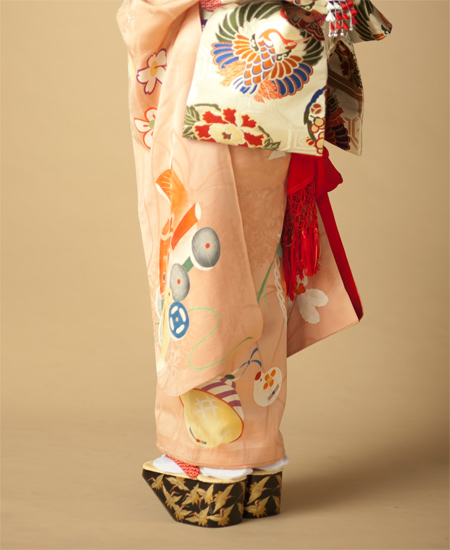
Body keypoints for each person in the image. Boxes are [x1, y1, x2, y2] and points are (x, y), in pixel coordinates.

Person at [116, 0, 392, 527]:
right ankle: (259, 454)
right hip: (276, 70)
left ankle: (207, 457)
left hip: (213, 69)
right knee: (259, 261)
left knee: (204, 258)